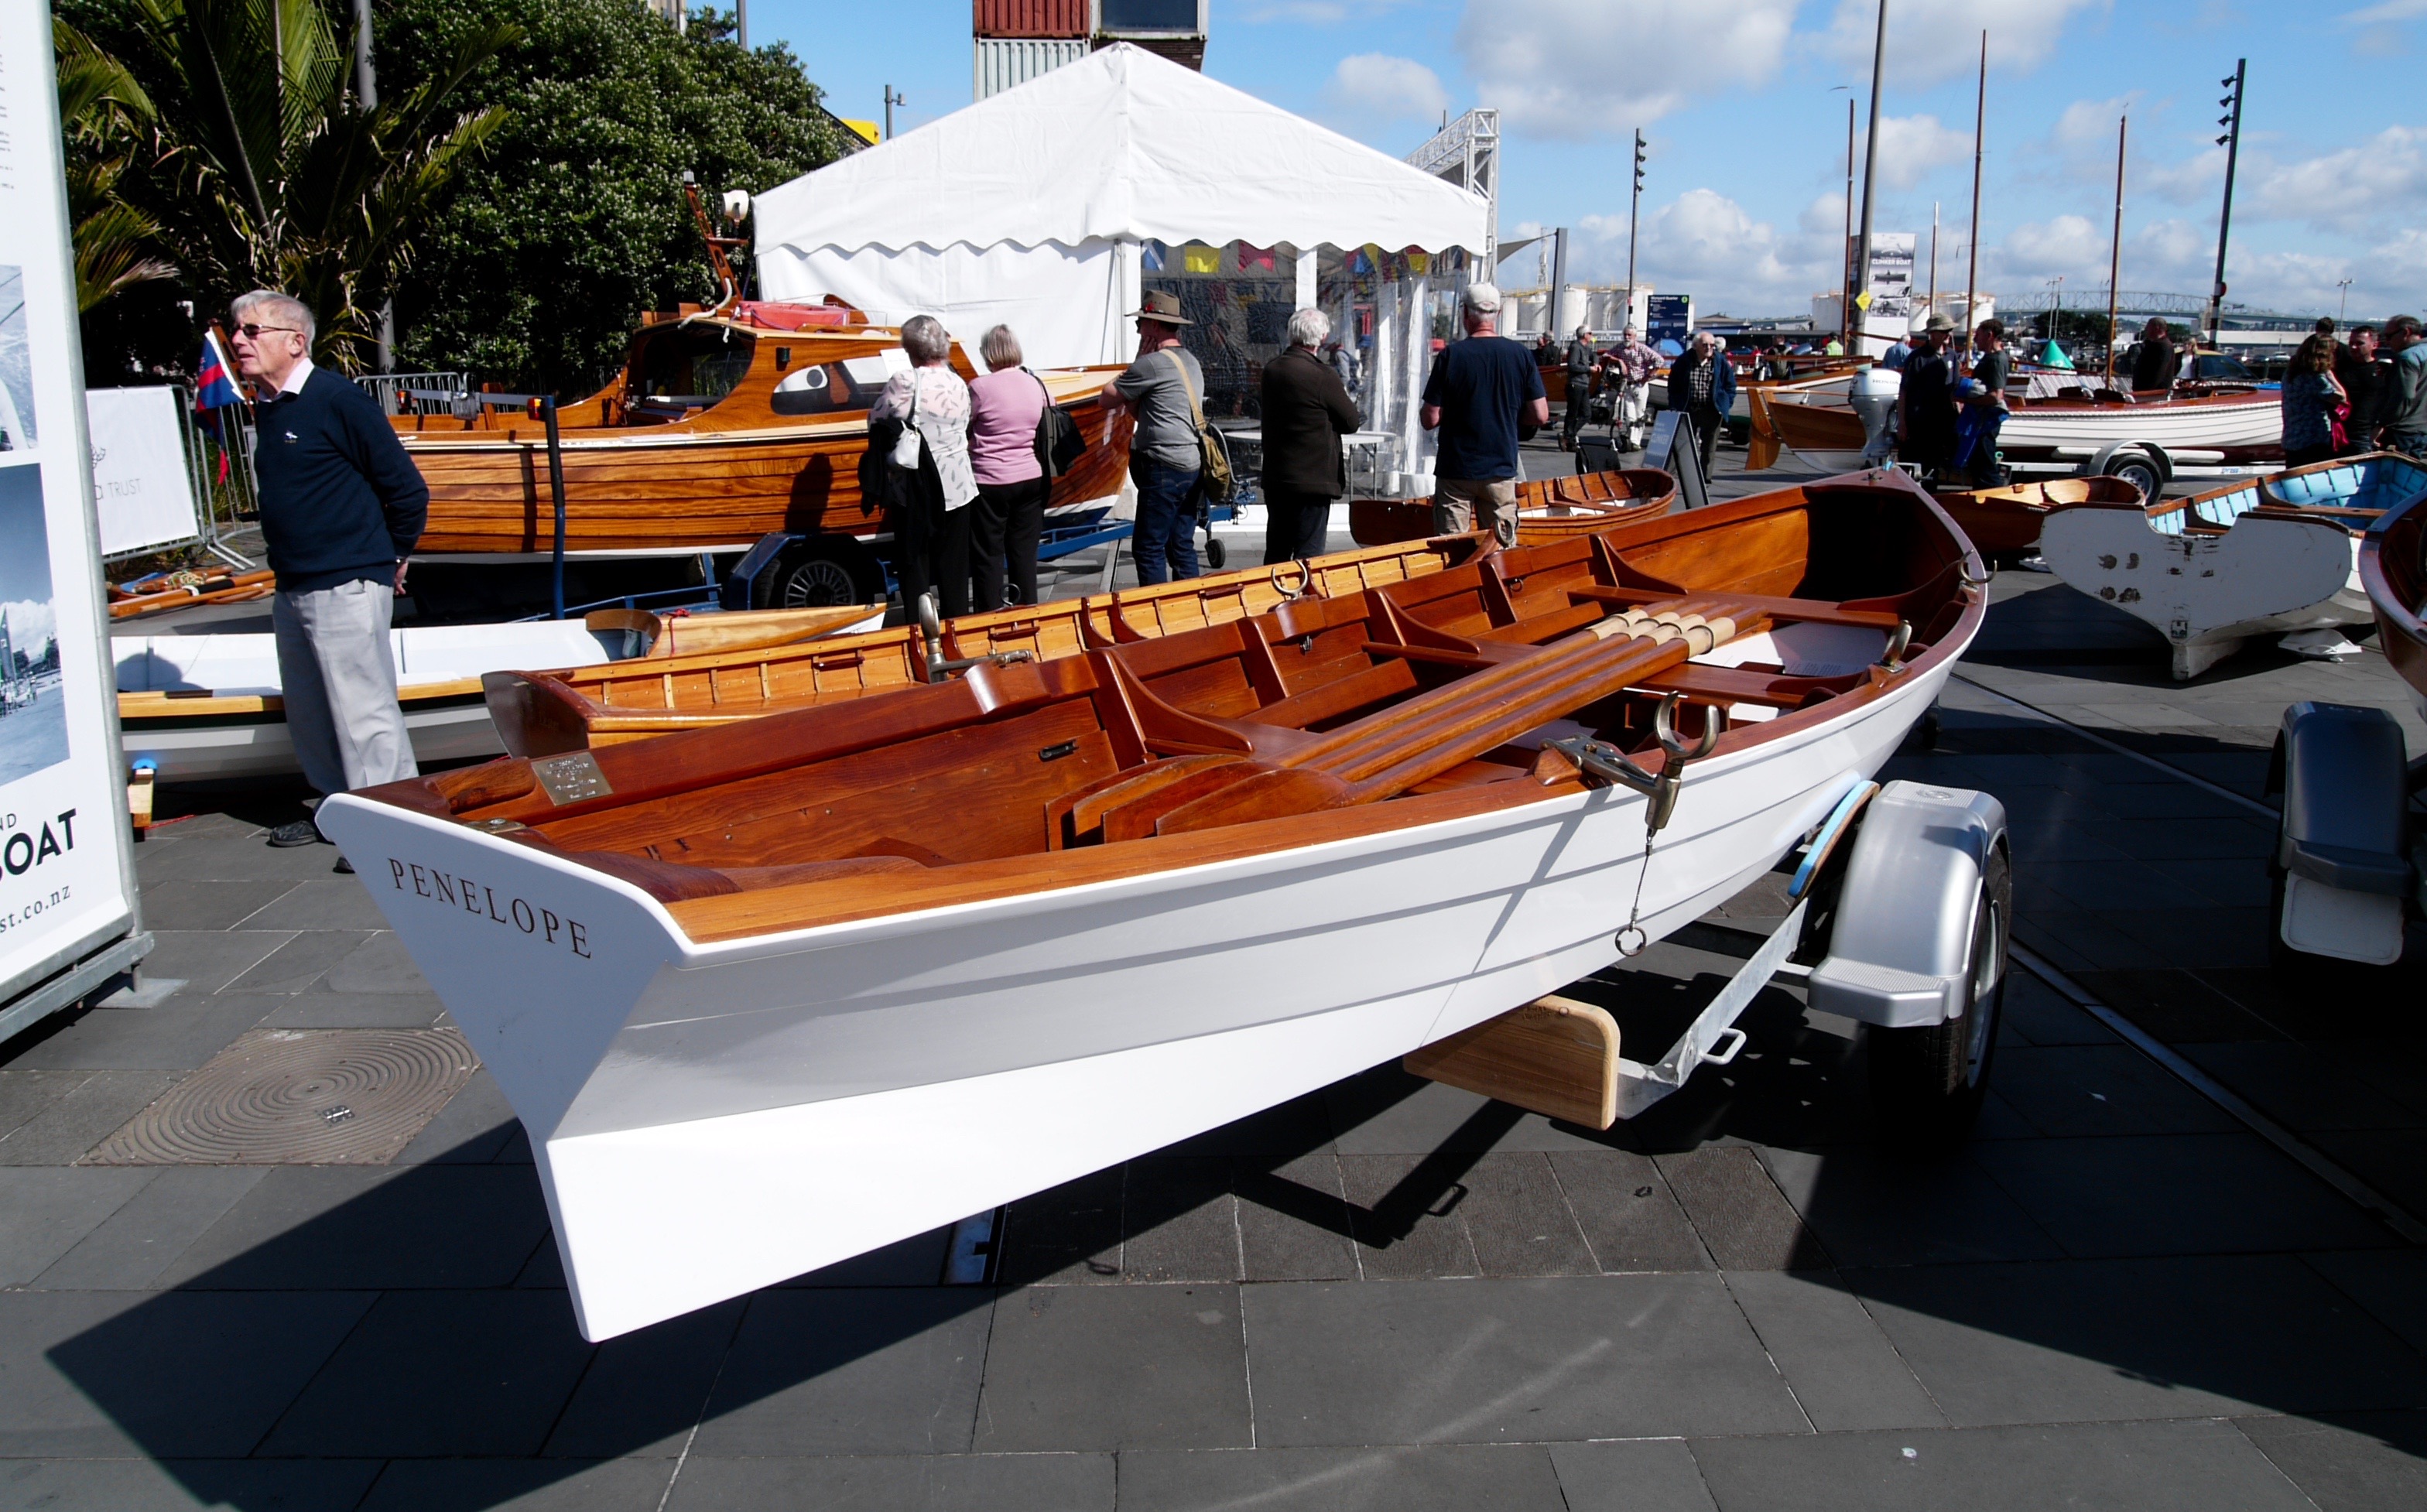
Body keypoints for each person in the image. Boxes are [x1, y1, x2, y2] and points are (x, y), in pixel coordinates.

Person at [231, 292, 426, 867]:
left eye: (252, 330)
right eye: (236, 329)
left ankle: (394, 829)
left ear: (296, 341)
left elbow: (407, 490)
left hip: (345, 581)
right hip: (293, 583)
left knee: (363, 712)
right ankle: (339, 810)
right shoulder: (271, 407)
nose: (239, 340)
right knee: (312, 711)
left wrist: (392, 555)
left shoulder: (338, 400)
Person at [1420, 282, 1547, 545]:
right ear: (1498, 314)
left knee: (1453, 549)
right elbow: (1540, 414)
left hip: (1456, 468)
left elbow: (1430, 418)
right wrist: (1509, 417)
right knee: (1500, 549)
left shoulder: (1451, 356)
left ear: (1466, 313)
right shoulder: (1521, 355)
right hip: (1500, 466)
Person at [872, 314, 977, 617]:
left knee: (915, 565)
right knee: (954, 567)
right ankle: (956, 629)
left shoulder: (905, 380)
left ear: (910, 349)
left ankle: (920, 631)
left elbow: (876, 420)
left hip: (916, 487)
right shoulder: (958, 381)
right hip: (958, 485)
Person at [1101, 289, 1204, 584]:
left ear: (1154, 325)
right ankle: (1191, 604)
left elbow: (1106, 399)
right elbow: (1146, 412)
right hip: (1191, 465)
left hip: (1163, 467)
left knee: (1148, 548)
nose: (1138, 331)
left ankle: (1156, 607)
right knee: (1181, 545)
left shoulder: (1151, 364)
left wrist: (1136, 360)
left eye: (1140, 323)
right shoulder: (1191, 362)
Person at [1258, 307, 1361, 564]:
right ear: (1322, 337)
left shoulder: (1272, 370)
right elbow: (1351, 422)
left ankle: (1274, 590)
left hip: (1279, 476)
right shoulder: (1322, 375)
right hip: (1313, 480)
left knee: (1277, 551)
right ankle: (1302, 592)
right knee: (1308, 555)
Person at [966, 324, 1049, 611]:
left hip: (990, 480)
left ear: (987, 353)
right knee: (1024, 553)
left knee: (988, 554)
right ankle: (1026, 612)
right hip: (1031, 476)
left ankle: (989, 614)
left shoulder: (979, 388)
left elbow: (964, 423)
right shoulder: (1035, 384)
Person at [1665, 331, 1737, 479]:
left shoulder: (1720, 361)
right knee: (1681, 445)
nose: (1709, 348)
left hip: (1712, 410)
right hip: (1688, 409)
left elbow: (1730, 385)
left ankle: (1705, 480)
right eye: (1705, 345)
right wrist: (1675, 405)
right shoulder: (1684, 361)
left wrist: (1725, 404)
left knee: (1709, 449)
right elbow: (1673, 385)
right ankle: (1671, 478)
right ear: (1696, 346)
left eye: (1712, 345)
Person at [1898, 313, 1959, 479]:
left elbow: (1955, 389)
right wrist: (1902, 423)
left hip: (1942, 422)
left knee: (1934, 466)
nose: (1948, 334)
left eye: (1950, 330)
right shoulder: (1917, 358)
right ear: (1932, 334)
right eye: (1944, 331)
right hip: (1918, 422)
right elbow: (1903, 392)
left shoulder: (1952, 355)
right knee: (1912, 464)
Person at [1956, 319, 2013, 486]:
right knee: (1977, 465)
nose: (1975, 339)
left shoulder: (1997, 360)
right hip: (1979, 420)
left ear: (1990, 335)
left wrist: (1964, 399)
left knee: (1985, 468)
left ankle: (1992, 497)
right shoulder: (1989, 358)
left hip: (1985, 422)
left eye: (1978, 335)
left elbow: (1996, 396)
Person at [2278, 333, 2347, 468]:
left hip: (2292, 437)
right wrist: (2331, 376)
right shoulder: (2314, 377)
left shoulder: (2291, 372)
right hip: (2313, 440)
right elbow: (2341, 398)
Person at [1600, 325, 1661, 450]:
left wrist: (1648, 376)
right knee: (1630, 415)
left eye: (1629, 335)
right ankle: (1631, 440)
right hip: (1627, 385)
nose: (1627, 337)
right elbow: (1606, 355)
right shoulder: (1620, 348)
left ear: (1635, 337)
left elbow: (1659, 360)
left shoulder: (1642, 349)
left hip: (1640, 385)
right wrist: (1619, 361)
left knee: (1640, 415)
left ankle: (1636, 441)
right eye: (1625, 335)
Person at [2381, 315, 2427, 458]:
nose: (2387, 342)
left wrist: (2382, 425)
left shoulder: (2407, 357)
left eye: (2389, 336)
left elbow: (2403, 396)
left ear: (2406, 332)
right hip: (2422, 429)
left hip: (2402, 430)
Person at [2344, 325, 2390, 452]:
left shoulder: (2382, 371)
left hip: (2366, 434)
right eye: (2351, 343)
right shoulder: (2341, 369)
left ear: (2375, 345)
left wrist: (2380, 427)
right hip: (2339, 432)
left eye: (2360, 343)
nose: (2354, 347)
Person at [1561, 323, 1597, 450]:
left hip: (1584, 384)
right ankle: (1568, 438)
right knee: (1572, 412)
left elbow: (1594, 355)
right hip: (1575, 384)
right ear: (1585, 335)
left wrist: (1596, 363)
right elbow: (1572, 365)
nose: (1592, 336)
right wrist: (1588, 369)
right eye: (1590, 333)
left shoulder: (1586, 348)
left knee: (1587, 414)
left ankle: (1568, 435)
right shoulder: (1576, 347)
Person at [2128, 317, 2180, 394]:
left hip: (2154, 392)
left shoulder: (2163, 346)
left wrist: (2147, 391)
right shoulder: (2155, 344)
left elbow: (2159, 372)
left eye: (2148, 327)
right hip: (2146, 391)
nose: (2146, 329)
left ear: (2156, 328)